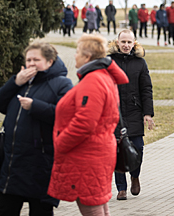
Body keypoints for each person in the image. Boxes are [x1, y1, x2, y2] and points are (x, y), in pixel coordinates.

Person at [48, 34, 129, 215]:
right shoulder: (102, 77)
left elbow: (84, 123)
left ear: (87, 57)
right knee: (98, 204)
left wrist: (60, 144)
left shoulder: (93, 80)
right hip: (94, 153)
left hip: (87, 156)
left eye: (77, 52)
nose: (74, 56)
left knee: (91, 206)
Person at [0, 42, 73, 216]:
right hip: (11, 165)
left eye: (36, 59)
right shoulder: (20, 81)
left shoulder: (62, 83)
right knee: (5, 210)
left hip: (40, 165)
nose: (31, 63)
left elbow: (66, 114)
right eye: (28, 59)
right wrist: (14, 82)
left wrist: (36, 106)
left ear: (50, 62)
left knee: (40, 211)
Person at [108, 30, 155, 199]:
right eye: (123, 42)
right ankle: (121, 188)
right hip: (115, 113)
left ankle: (135, 176)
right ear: (117, 42)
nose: (126, 45)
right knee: (117, 151)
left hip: (135, 112)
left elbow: (146, 89)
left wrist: (148, 113)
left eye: (129, 42)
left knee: (138, 148)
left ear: (134, 43)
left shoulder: (140, 63)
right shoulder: (109, 62)